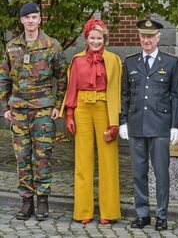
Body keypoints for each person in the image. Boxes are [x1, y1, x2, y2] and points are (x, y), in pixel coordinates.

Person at [0, 2, 67, 221]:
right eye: (27, 17)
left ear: (40, 20)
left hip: (43, 110)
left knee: (43, 156)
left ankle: (43, 201)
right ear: (21, 20)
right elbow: (4, 78)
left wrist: (58, 105)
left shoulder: (52, 45)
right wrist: (5, 107)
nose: (31, 21)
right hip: (18, 110)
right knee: (22, 157)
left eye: (34, 17)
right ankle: (26, 201)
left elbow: (62, 77)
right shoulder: (12, 47)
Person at [119, 19, 178, 231]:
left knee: (161, 173)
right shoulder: (130, 62)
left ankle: (162, 215)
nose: (146, 40)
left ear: (158, 38)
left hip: (160, 126)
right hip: (137, 124)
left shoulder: (170, 63)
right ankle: (143, 214)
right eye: (143, 36)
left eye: (150, 36)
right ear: (139, 37)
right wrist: (123, 122)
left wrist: (175, 125)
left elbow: (176, 96)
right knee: (138, 172)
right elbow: (125, 95)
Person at [62, 19, 121, 224]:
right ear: (86, 38)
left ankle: (109, 212)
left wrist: (115, 121)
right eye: (92, 38)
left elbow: (117, 91)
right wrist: (69, 114)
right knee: (83, 160)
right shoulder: (77, 60)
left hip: (104, 107)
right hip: (82, 108)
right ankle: (83, 211)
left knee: (108, 160)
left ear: (104, 38)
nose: (95, 41)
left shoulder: (114, 60)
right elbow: (72, 88)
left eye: (99, 38)